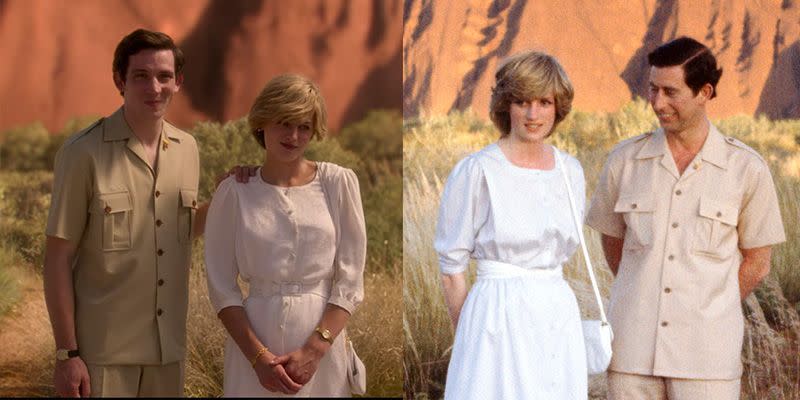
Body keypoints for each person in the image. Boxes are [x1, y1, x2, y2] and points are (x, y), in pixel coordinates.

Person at [586, 36, 786, 399]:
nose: (657, 103)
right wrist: (644, 287)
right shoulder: (624, 162)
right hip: (632, 356)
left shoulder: (745, 169)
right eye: (652, 90)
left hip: (707, 360)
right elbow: (613, 243)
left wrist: (712, 307)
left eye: (670, 92)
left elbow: (758, 262)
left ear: (704, 92)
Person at [43, 29, 208, 397]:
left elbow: (177, 229)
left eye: (165, 76)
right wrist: (67, 353)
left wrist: (238, 190)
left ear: (178, 82)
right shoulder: (83, 153)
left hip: (168, 353)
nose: (155, 87)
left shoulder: (188, 150)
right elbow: (57, 257)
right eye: (141, 76)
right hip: (102, 356)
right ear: (120, 80)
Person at [435, 50, 588, 399]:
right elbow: (451, 268)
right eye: (522, 102)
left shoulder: (571, 171)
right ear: (506, 106)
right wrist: (469, 335)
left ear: (558, 107)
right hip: (495, 314)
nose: (533, 115)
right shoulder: (477, 170)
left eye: (544, 102)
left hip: (557, 312)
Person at [204, 73, 366, 397]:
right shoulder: (234, 191)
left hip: (323, 344)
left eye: (304, 126)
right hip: (253, 349)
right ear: (262, 123)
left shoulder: (339, 183)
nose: (293, 135)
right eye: (284, 123)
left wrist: (315, 350)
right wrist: (259, 358)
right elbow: (221, 287)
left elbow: (350, 280)